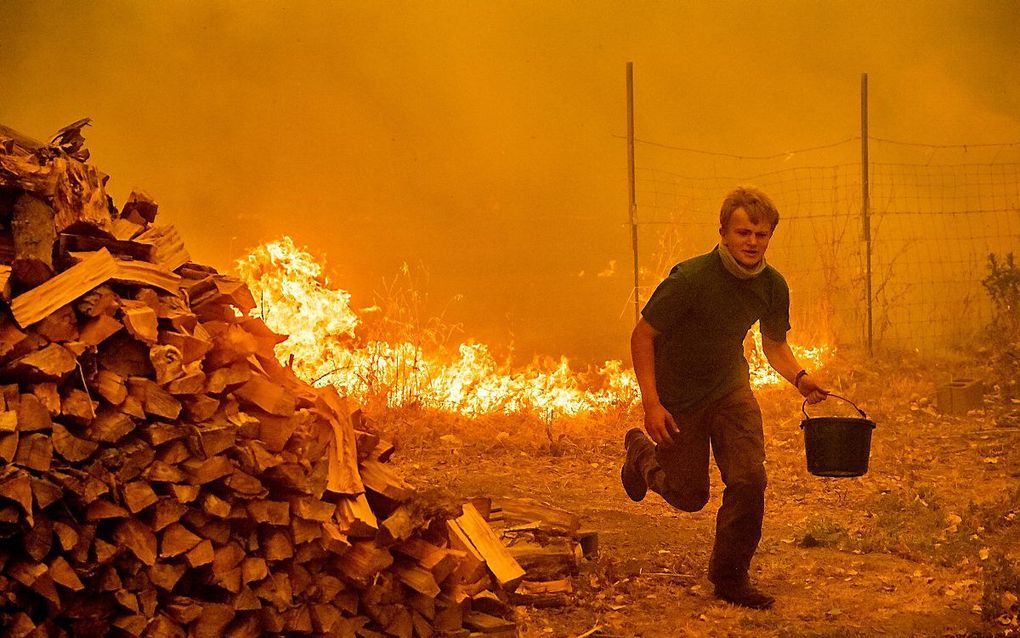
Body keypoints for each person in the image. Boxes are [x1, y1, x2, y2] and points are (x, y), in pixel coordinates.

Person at [622, 186, 828, 610]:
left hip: (731, 389)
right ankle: (642, 457)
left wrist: (800, 378)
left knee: (750, 479)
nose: (753, 242)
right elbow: (642, 336)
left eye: (761, 234)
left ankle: (730, 577)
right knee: (689, 495)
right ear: (724, 233)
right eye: (744, 233)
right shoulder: (691, 279)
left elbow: (774, 345)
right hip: (679, 395)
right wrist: (652, 404)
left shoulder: (772, 286)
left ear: (770, 236)